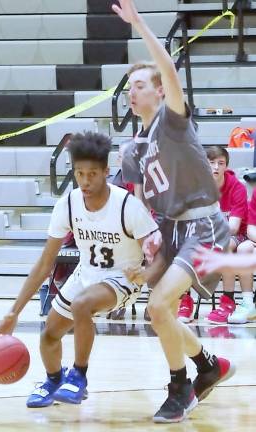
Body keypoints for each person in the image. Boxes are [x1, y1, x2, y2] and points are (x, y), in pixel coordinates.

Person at [113, 0, 235, 423]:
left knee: (161, 304)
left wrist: (139, 24)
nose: (133, 92)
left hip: (205, 226)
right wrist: (144, 250)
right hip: (172, 232)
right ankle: (207, 365)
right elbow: (142, 205)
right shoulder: (132, 150)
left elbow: (168, 68)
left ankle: (178, 387)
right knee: (156, 310)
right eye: (129, 88)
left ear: (160, 91)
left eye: (141, 85)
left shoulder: (173, 119)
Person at [0, 131, 159, 407]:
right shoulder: (67, 204)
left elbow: (157, 255)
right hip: (86, 274)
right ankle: (54, 379)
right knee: (49, 335)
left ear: (106, 171)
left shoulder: (128, 206)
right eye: (79, 173)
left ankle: (79, 376)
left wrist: (149, 277)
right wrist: (13, 312)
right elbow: (45, 263)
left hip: (124, 277)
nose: (85, 181)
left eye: (92, 174)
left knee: (81, 305)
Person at [178, 147, 251, 324]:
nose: (216, 167)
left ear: (226, 166)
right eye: (211, 163)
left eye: (221, 163)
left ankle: (228, 301)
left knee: (225, 246)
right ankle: (185, 300)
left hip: (235, 236)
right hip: (205, 235)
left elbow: (233, 228)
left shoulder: (237, 187)